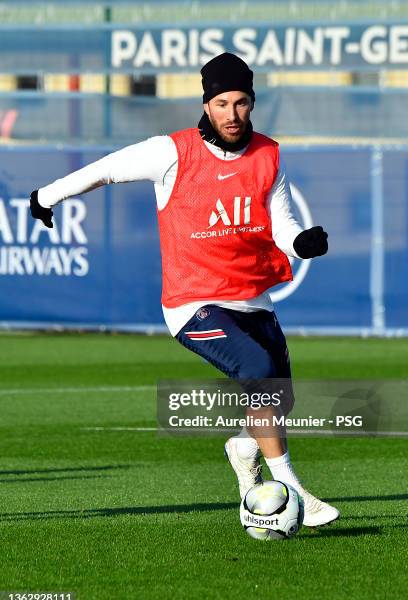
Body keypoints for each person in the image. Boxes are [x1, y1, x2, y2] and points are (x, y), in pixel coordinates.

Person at [30, 52, 339, 527]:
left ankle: (242, 448)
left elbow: (284, 226)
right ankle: (292, 489)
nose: (231, 114)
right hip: (193, 302)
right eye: (221, 103)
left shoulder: (268, 155)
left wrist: (302, 242)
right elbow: (105, 169)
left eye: (240, 103)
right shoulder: (172, 152)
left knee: (278, 399)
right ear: (206, 104)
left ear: (252, 104)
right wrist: (45, 196)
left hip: (252, 296)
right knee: (256, 369)